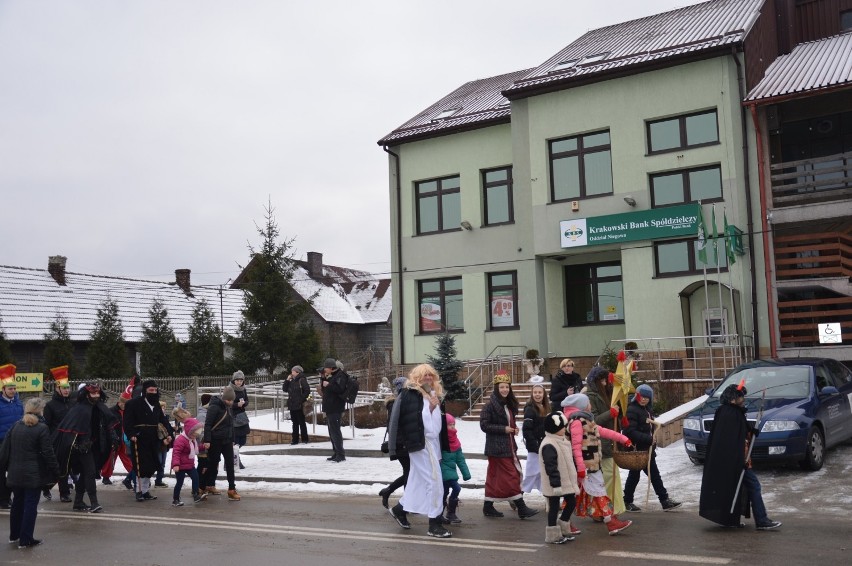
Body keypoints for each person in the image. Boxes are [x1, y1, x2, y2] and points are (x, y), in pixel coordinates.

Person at [699, 382, 782, 531]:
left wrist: (750, 430)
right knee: (753, 486)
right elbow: (730, 441)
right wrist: (739, 460)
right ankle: (761, 520)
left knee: (734, 488)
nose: (743, 399)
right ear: (732, 399)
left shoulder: (731, 412)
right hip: (736, 462)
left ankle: (732, 519)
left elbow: (739, 433)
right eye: (740, 397)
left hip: (736, 461)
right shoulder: (730, 414)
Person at [387, 364, 451, 538]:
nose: (428, 378)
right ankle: (434, 523)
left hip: (430, 444)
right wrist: (430, 408)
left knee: (417, 482)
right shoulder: (411, 395)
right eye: (424, 375)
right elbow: (419, 425)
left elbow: (436, 426)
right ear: (417, 377)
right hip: (421, 444)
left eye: (430, 375)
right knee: (434, 482)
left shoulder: (430, 394)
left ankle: (400, 509)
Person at [561, 393, 633, 535]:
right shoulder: (576, 422)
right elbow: (576, 447)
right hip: (586, 467)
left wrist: (623, 439)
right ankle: (610, 522)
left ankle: (564, 522)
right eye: (588, 403)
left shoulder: (587, 421)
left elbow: (604, 432)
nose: (590, 405)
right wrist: (581, 468)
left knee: (575, 495)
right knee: (598, 492)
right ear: (581, 406)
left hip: (592, 465)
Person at [0, 397, 61, 549]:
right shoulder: (41, 428)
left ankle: (14, 536)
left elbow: (4, 451)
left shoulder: (15, 426)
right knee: (30, 506)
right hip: (33, 474)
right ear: (40, 410)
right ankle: (26, 539)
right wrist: (57, 470)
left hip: (15, 472)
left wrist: (6, 468)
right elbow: (48, 453)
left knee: (17, 504)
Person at [480, 370, 539, 519]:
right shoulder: (489, 406)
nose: (505, 390)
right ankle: (521, 507)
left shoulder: (508, 405)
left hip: (508, 446)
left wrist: (513, 429)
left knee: (495, 478)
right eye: (502, 387)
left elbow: (507, 423)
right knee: (512, 476)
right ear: (496, 388)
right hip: (497, 448)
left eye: (507, 387)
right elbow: (484, 425)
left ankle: (488, 506)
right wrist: (504, 429)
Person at [52, 382, 118, 513]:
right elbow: (72, 428)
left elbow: (109, 423)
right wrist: (80, 443)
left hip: (96, 446)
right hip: (81, 447)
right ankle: (94, 502)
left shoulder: (100, 407)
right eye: (93, 393)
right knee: (90, 472)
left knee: (86, 474)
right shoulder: (79, 409)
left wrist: (113, 436)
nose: (96, 395)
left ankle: (78, 501)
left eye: (97, 393)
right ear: (87, 394)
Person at [622, 384, 682, 512]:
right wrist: (648, 439)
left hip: (647, 450)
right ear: (637, 396)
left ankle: (663, 500)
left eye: (647, 397)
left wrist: (651, 442)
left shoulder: (647, 410)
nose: (644, 399)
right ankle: (628, 501)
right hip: (637, 450)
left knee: (651, 475)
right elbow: (629, 431)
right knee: (638, 476)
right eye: (641, 396)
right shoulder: (632, 409)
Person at [583, 366, 626, 516]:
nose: (605, 383)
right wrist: (610, 413)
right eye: (601, 380)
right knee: (607, 478)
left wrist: (621, 417)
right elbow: (593, 420)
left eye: (605, 379)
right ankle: (602, 511)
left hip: (610, 442)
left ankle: (611, 509)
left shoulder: (608, 394)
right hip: (600, 444)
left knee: (612, 476)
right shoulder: (591, 397)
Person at [123, 379, 174, 502]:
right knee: (141, 467)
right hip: (140, 438)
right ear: (145, 391)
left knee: (151, 466)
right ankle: (139, 491)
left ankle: (145, 491)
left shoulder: (156, 404)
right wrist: (131, 434)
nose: (153, 392)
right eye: (151, 390)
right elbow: (127, 421)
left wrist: (169, 433)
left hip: (153, 439)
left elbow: (163, 421)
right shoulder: (133, 403)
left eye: (155, 390)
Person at [539, 411, 579, 544]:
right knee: (554, 508)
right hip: (554, 483)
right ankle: (552, 534)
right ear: (555, 429)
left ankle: (563, 527)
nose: (565, 429)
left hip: (566, 482)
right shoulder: (549, 444)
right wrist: (555, 485)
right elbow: (551, 467)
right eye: (562, 427)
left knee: (572, 502)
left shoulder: (562, 441)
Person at [42, 365, 75, 501]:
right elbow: (47, 425)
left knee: (69, 466)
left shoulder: (73, 403)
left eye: (68, 388)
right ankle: (64, 493)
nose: (67, 390)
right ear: (57, 389)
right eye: (64, 388)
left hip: (72, 439)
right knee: (61, 467)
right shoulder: (50, 405)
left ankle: (48, 486)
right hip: (57, 441)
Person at [203, 385, 240, 501]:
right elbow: (208, 424)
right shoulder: (214, 406)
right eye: (229, 400)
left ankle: (231, 489)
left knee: (230, 464)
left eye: (232, 400)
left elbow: (230, 425)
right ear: (224, 398)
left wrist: (233, 438)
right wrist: (207, 440)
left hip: (227, 440)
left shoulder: (228, 407)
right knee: (213, 464)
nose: (230, 402)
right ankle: (206, 485)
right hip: (215, 440)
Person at [378, 377, 409, 510]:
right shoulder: (395, 404)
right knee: (410, 473)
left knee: (410, 473)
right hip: (401, 444)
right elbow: (395, 427)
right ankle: (406, 503)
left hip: (404, 443)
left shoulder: (401, 402)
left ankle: (390, 492)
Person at [0, 364, 24, 510]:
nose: (13, 391)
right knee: (1, 472)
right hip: (1, 442)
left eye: (14, 389)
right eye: (10, 389)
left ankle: (8, 497)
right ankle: (3, 499)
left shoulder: (19, 403)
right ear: (3, 389)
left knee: (13, 472)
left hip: (14, 442)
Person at [440, 413, 471, 524]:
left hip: (451, 472)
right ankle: (448, 513)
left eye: (453, 424)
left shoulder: (456, 441)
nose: (452, 427)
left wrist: (466, 473)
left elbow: (460, 459)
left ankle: (447, 513)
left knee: (445, 492)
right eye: (449, 425)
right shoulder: (441, 441)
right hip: (443, 472)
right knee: (454, 489)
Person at [170, 417, 207, 506]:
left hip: (189, 464)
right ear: (188, 431)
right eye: (194, 434)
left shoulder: (192, 439)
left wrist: (203, 447)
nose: (195, 436)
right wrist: (175, 464)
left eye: (196, 435)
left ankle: (196, 494)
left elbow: (195, 448)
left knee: (195, 477)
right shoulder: (181, 440)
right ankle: (175, 499)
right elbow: (176, 453)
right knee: (180, 482)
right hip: (180, 465)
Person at [101, 392, 134, 489]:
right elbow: (108, 426)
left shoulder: (129, 411)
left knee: (128, 459)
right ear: (119, 402)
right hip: (114, 439)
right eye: (123, 404)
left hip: (126, 440)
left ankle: (133, 475)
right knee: (110, 459)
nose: (124, 406)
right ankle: (106, 476)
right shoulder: (111, 411)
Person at [521, 383, 550, 494]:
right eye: (535, 392)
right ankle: (519, 495)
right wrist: (535, 445)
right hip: (535, 447)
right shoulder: (530, 409)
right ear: (532, 394)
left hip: (544, 445)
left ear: (544, 394)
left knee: (542, 473)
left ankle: (547, 495)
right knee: (532, 473)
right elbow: (526, 430)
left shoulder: (545, 408)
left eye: (540, 392)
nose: (537, 395)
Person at [319, 358, 348, 463]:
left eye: (326, 368)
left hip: (336, 407)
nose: (325, 370)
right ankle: (336, 452)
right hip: (330, 407)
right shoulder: (332, 376)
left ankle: (341, 454)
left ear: (331, 368)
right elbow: (325, 391)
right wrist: (323, 379)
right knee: (331, 431)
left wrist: (329, 384)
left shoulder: (340, 376)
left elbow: (339, 389)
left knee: (335, 431)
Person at [283, 365, 311, 445]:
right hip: (292, 405)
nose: (291, 372)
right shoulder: (292, 380)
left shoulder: (302, 380)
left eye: (293, 371)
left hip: (299, 405)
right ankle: (295, 440)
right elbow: (284, 389)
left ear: (297, 372)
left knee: (301, 422)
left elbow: (307, 390)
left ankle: (304, 439)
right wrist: (287, 380)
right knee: (294, 423)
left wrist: (300, 400)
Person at [230, 370, 250, 470]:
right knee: (236, 440)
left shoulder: (243, 389)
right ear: (234, 380)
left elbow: (247, 400)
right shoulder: (229, 389)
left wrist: (244, 403)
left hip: (242, 416)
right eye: (237, 380)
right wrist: (236, 404)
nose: (239, 382)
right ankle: (235, 460)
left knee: (243, 440)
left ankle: (233, 457)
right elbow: (226, 403)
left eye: (241, 380)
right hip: (233, 416)